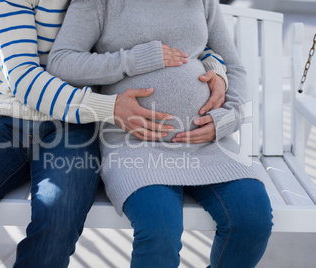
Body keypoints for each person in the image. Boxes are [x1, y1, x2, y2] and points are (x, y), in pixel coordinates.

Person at [0, 1, 228, 268]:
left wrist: (217, 69)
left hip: (75, 127)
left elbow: (186, 31)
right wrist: (108, 108)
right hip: (8, 121)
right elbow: (23, 78)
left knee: (57, 218)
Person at [47, 0, 273, 267]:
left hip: (207, 144)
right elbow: (61, 62)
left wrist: (229, 116)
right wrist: (133, 60)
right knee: (160, 231)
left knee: (253, 221)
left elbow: (234, 66)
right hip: (135, 143)